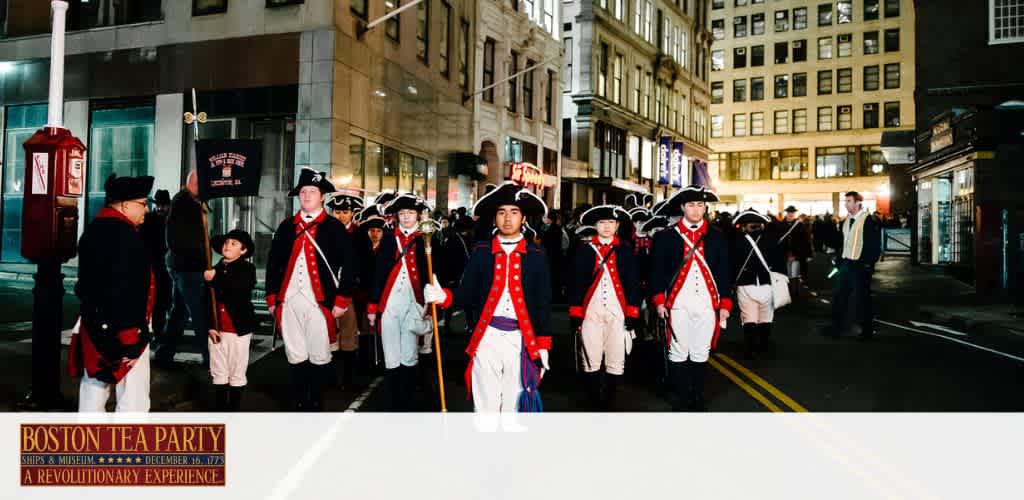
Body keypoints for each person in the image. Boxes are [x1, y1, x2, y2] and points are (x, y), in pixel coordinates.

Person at [424, 182, 553, 413]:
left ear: (523, 218)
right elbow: (467, 293)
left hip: (521, 339)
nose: (507, 218)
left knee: (515, 403)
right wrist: (443, 295)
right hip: (487, 336)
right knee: (485, 403)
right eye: (501, 212)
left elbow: (543, 303)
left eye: (514, 213)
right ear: (494, 218)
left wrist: (543, 345)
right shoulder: (481, 252)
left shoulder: (536, 256)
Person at [265, 168, 358, 411]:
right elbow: (273, 264)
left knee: (319, 353)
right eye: (303, 192)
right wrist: (273, 298)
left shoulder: (334, 228)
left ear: (322, 196)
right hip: (288, 300)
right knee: (295, 353)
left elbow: (349, 266)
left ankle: (316, 401)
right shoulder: (286, 227)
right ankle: (299, 399)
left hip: (320, 301)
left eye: (312, 191)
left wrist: (342, 299)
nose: (306, 196)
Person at [69, 174, 156, 412]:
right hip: (125, 328)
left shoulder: (94, 230)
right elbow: (124, 290)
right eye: (143, 203)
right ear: (126, 205)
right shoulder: (126, 237)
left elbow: (87, 285)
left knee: (93, 390)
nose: (146, 210)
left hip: (94, 324)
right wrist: (130, 337)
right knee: (133, 399)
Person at [649, 185, 733, 412]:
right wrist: (659, 301)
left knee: (700, 351)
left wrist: (725, 303)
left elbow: (724, 272)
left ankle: (698, 395)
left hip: (707, 302)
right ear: (683, 207)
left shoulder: (716, 236)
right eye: (691, 205)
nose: (696, 210)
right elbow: (656, 272)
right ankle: (681, 396)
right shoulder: (666, 237)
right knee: (678, 351)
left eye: (700, 205)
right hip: (677, 303)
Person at [367, 194, 436, 410]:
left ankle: (406, 397)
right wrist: (372, 305)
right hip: (390, 301)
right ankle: (392, 397)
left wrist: (432, 302)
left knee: (409, 351)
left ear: (418, 215)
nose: (406, 218)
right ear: (397, 216)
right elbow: (378, 273)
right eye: (402, 214)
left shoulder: (427, 236)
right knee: (390, 350)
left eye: (410, 213)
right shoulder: (389, 238)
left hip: (414, 300)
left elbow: (434, 272)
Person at [568, 205, 640, 410]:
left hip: (618, 311)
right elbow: (575, 282)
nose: (606, 227)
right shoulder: (583, 249)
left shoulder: (625, 250)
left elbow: (633, 282)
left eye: (610, 223)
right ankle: (593, 400)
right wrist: (575, 312)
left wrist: (632, 312)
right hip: (591, 311)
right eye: (602, 223)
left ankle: (608, 401)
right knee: (590, 355)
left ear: (617, 225)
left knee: (616, 356)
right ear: (595, 226)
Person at [160, 170, 210, 366]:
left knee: (179, 312)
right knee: (199, 313)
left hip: (182, 265)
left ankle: (165, 352)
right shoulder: (185, 203)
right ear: (194, 184)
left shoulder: (186, 202)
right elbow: (179, 238)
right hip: (188, 267)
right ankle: (210, 357)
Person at [204, 229, 257, 411]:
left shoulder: (247, 269)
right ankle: (220, 408)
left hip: (238, 328)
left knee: (236, 369)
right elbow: (205, 301)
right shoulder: (214, 270)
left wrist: (215, 279)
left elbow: (238, 290)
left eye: (234, 244)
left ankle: (233, 409)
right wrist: (210, 325)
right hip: (217, 329)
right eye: (227, 242)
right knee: (218, 370)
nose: (228, 246)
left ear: (243, 251)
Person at [732, 209, 785, 359]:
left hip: (745, 284)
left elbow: (733, 264)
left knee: (749, 318)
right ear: (761, 225)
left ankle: (750, 348)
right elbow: (780, 263)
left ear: (744, 226)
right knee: (766, 317)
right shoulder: (771, 240)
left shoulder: (738, 242)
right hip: (767, 285)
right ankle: (763, 346)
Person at [828, 191, 882, 340]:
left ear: (858, 203)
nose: (846, 204)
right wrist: (839, 260)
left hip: (859, 265)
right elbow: (842, 243)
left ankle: (867, 330)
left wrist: (867, 264)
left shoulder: (868, 220)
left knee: (862, 298)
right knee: (839, 296)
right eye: (845, 201)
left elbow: (874, 244)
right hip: (846, 263)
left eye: (849, 201)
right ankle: (836, 328)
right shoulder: (846, 221)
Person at [325, 190, 365, 390]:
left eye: (345, 212)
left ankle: (349, 378)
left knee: (349, 337)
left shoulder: (360, 235)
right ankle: (330, 377)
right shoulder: (324, 231)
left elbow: (366, 265)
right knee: (328, 335)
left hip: (351, 293)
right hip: (327, 291)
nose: (341, 215)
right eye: (337, 211)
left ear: (352, 213)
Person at [139, 189, 171, 345]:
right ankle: (153, 333)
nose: (160, 208)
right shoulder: (149, 219)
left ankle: (158, 333)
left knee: (162, 302)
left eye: (163, 205)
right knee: (152, 301)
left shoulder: (170, 220)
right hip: (152, 265)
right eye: (158, 205)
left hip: (165, 267)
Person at [776, 206, 813, 300]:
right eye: (789, 212)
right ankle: (788, 294)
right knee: (786, 275)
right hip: (784, 255)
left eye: (792, 212)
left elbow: (805, 241)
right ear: (786, 213)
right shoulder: (780, 225)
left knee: (795, 274)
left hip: (797, 255)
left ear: (794, 213)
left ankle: (795, 294)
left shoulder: (800, 226)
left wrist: (807, 254)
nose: (790, 214)